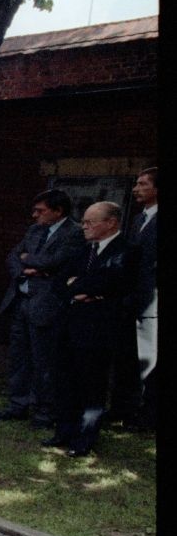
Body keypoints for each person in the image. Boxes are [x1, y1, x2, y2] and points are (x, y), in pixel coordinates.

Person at [44, 201, 139, 457]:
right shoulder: (83, 251)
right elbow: (58, 284)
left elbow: (111, 283)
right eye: (83, 221)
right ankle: (63, 431)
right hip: (70, 324)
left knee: (91, 385)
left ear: (111, 223)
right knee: (64, 380)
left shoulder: (126, 252)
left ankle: (84, 439)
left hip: (98, 329)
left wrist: (81, 285)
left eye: (90, 222)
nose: (84, 226)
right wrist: (80, 289)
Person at [0, 189, 84, 425]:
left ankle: (44, 410)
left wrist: (30, 260)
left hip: (47, 305)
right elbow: (12, 256)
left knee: (44, 360)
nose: (35, 215)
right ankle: (18, 403)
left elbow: (56, 261)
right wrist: (27, 269)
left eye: (40, 211)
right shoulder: (34, 231)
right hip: (21, 301)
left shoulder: (73, 233)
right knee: (18, 357)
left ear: (58, 211)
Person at [110, 167, 158, 430]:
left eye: (142, 184)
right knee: (126, 357)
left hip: (151, 302)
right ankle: (122, 409)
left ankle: (147, 417)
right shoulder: (139, 219)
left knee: (148, 361)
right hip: (130, 300)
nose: (136, 188)